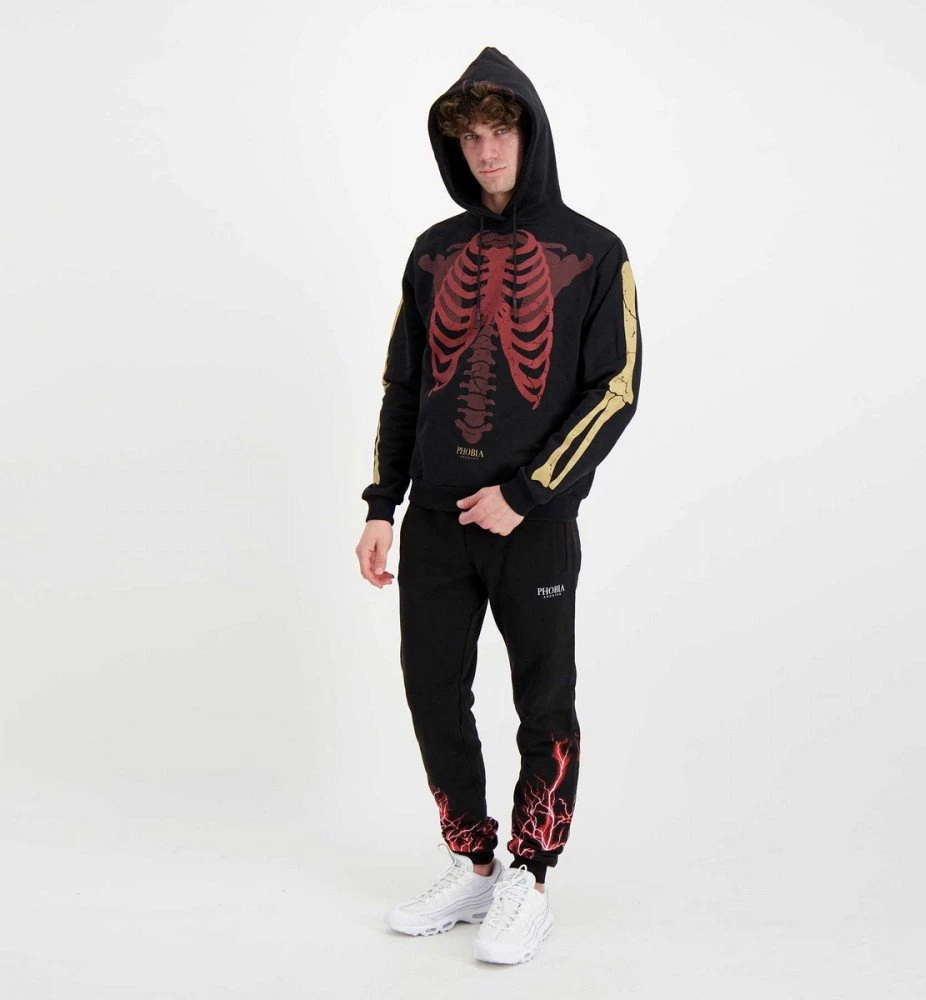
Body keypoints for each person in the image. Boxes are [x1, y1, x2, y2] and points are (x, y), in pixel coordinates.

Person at [356, 45, 642, 964]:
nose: (485, 151)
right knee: (432, 691)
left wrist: (528, 492)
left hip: (532, 525)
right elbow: (404, 383)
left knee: (542, 698)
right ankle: (473, 862)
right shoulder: (433, 251)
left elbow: (615, 389)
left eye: (501, 131)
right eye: (470, 136)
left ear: (531, 133)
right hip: (437, 522)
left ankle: (532, 875)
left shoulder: (595, 252)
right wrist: (380, 504)